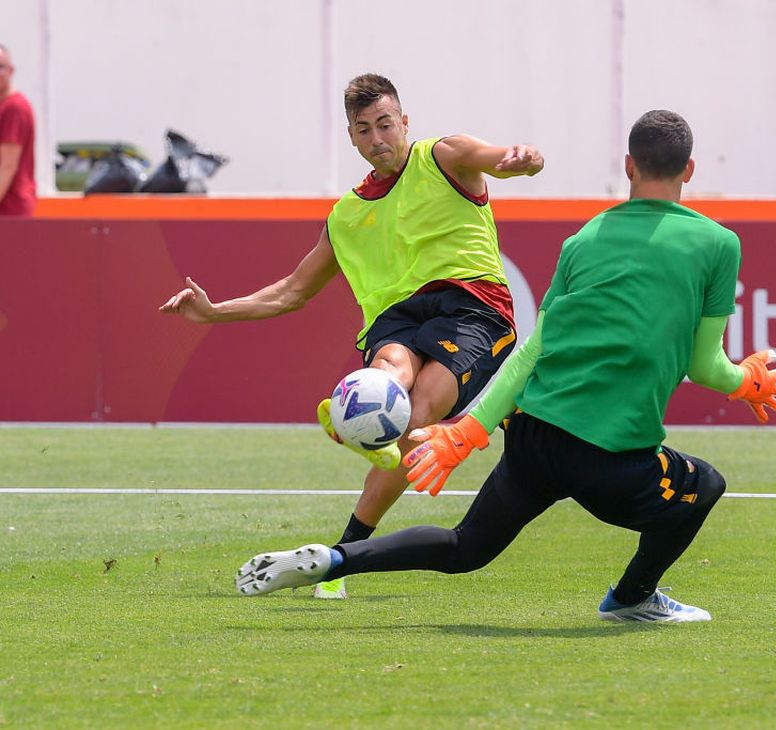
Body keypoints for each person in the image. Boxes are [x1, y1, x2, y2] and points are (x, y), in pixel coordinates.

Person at [235, 110, 776, 622]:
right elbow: (705, 366)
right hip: (613, 457)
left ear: (628, 166)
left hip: (533, 437)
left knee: (464, 548)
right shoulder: (720, 244)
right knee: (707, 485)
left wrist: (466, 434)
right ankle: (632, 598)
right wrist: (747, 381)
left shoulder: (584, 239)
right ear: (690, 169)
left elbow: (532, 351)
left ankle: (334, 560)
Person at [162, 73, 543, 599]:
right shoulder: (345, 215)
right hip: (397, 320)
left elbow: (500, 156)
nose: (377, 139)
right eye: (363, 130)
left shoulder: (444, 157)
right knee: (390, 369)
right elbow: (291, 292)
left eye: (385, 125)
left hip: (470, 306)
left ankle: (361, 462)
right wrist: (212, 313)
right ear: (351, 136)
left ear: (404, 122)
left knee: (418, 413)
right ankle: (360, 469)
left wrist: (522, 158)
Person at [0, 44, 36, 217]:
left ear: (11, 70)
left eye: (1, 67)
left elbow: (7, 165)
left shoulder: (14, 108)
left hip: (10, 209)